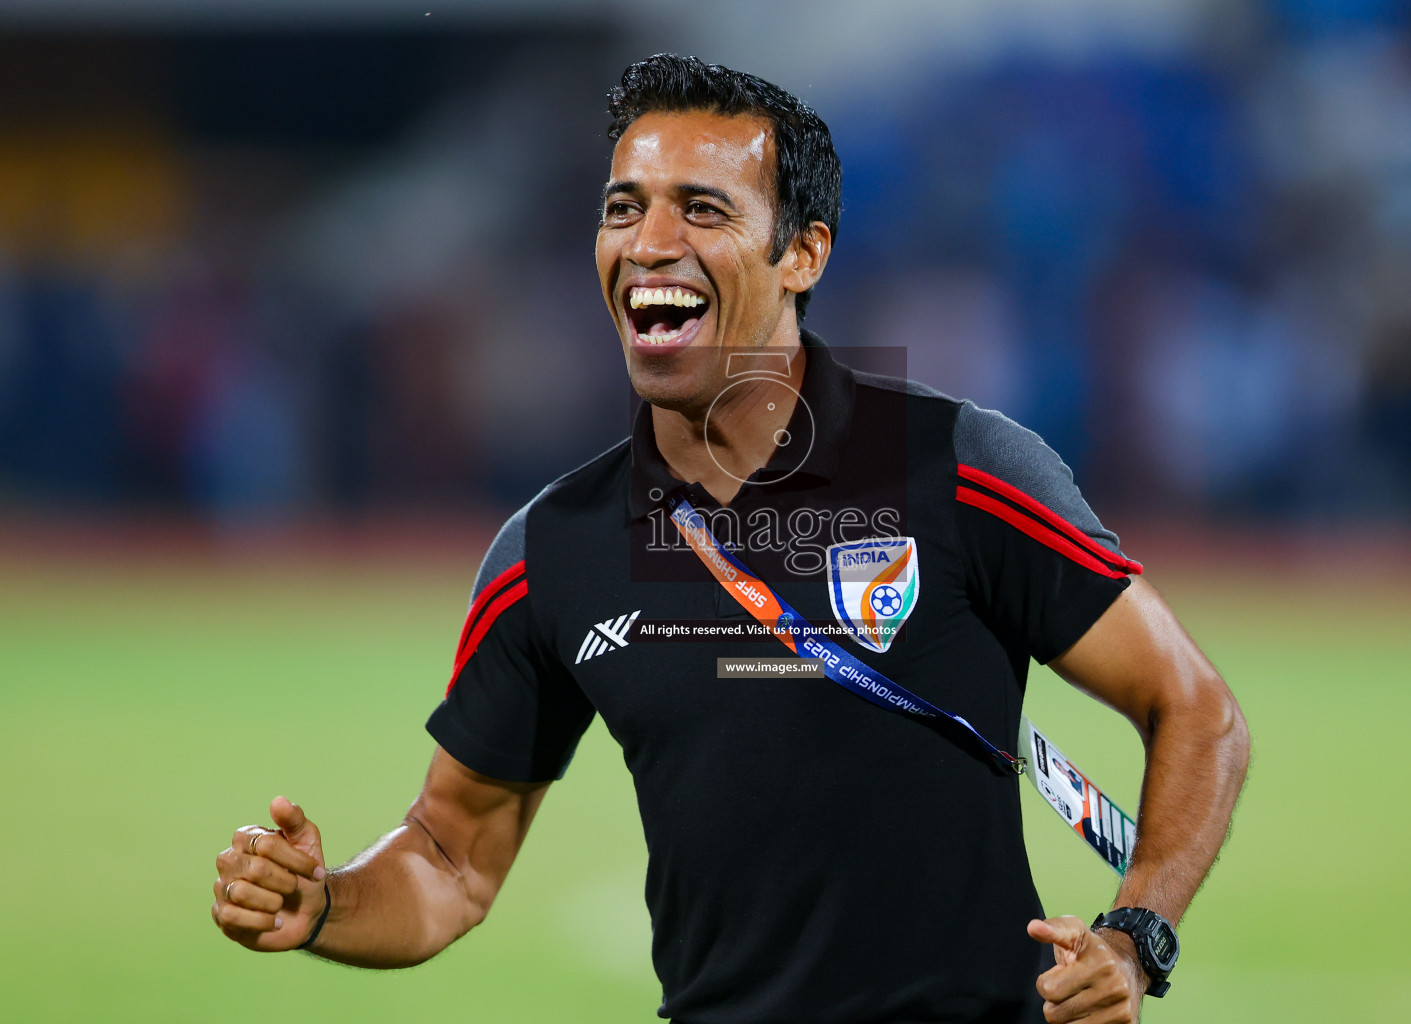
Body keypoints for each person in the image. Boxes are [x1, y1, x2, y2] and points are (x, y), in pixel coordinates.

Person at [211, 54, 1250, 1024]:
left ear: (802, 252)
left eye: (701, 208)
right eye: (625, 208)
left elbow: (1195, 708)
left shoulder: (959, 466)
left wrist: (1136, 932)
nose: (651, 241)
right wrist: (326, 905)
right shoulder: (551, 550)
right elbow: (451, 857)